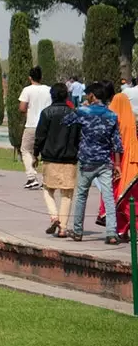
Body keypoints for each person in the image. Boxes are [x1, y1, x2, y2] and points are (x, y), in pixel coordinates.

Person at [67, 81, 121, 243]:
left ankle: (77, 230)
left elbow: (66, 121)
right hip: (105, 162)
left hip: (86, 160)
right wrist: (117, 164)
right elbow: (117, 142)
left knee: (82, 195)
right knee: (108, 196)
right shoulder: (112, 115)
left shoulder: (83, 111)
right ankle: (111, 233)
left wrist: (77, 109)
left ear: (92, 96)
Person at [32, 82, 78, 236]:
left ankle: (54, 216)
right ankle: (63, 228)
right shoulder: (74, 113)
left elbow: (40, 136)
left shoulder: (47, 113)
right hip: (69, 158)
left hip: (50, 157)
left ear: (51, 96)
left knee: (47, 188)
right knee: (67, 194)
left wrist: (35, 154)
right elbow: (78, 137)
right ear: (66, 96)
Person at [108, 87, 137, 243]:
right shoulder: (133, 122)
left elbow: (116, 145)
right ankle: (125, 230)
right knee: (130, 198)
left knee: (122, 198)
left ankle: (128, 229)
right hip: (133, 164)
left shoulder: (114, 122)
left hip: (121, 164)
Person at [17, 66, 51, 190]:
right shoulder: (48, 90)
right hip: (46, 125)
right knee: (45, 152)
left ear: (30, 78)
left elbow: (22, 107)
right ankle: (46, 179)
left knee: (25, 150)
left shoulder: (27, 90)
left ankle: (31, 177)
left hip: (32, 124)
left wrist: (27, 112)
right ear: (41, 77)